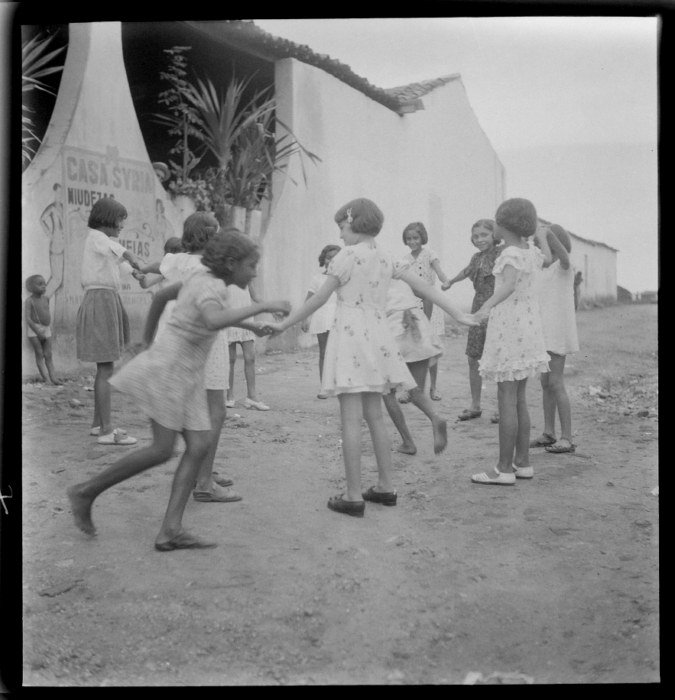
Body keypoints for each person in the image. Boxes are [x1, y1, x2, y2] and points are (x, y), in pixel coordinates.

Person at [67, 229, 290, 551]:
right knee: (161, 449)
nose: (254, 273)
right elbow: (212, 320)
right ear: (231, 264)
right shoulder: (212, 285)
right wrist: (261, 307)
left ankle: (171, 530)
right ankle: (85, 492)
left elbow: (163, 299)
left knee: (198, 445)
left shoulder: (203, 277)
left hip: (183, 372)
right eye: (251, 266)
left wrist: (147, 340)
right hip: (171, 370)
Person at [264, 198, 476, 517]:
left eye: (342, 227)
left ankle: (353, 495)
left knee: (351, 418)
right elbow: (423, 287)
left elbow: (319, 298)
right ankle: (386, 486)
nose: (340, 234)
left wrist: (284, 324)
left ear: (354, 223)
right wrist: (458, 313)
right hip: (378, 336)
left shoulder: (346, 256)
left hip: (350, 336)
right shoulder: (386, 256)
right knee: (375, 416)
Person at [470, 198, 552, 485]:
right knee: (519, 398)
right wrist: (541, 235)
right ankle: (523, 463)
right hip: (528, 329)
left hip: (509, 328)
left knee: (506, 399)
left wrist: (484, 308)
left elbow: (508, 285)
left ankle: (503, 468)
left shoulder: (509, 253)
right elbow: (548, 258)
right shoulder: (531, 252)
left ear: (504, 225)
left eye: (496, 221)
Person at [75, 197, 144, 446]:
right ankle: (106, 431)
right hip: (101, 300)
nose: (122, 225)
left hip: (107, 299)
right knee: (106, 368)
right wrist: (133, 258)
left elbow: (117, 262)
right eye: (120, 220)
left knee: (105, 367)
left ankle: (98, 424)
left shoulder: (103, 244)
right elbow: (118, 252)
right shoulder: (97, 237)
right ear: (107, 219)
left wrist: (135, 271)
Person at [381, 275, 449, 456]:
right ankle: (435, 417)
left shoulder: (371, 274)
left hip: (394, 328)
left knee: (387, 392)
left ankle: (408, 442)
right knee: (416, 391)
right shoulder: (401, 274)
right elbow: (426, 294)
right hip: (417, 324)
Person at [442, 219, 501, 424]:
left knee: (499, 358)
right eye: (475, 236)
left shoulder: (501, 254)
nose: (479, 239)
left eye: (484, 235)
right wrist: (450, 281)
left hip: (498, 309)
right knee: (473, 357)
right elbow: (467, 271)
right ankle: (475, 405)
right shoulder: (476, 258)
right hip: (478, 309)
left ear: (494, 235)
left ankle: (503, 407)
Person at [530, 224, 579, 454]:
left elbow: (564, 257)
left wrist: (547, 234)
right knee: (545, 383)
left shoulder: (563, 267)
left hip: (557, 332)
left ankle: (567, 437)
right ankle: (549, 432)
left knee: (556, 383)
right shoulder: (542, 271)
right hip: (543, 333)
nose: (540, 248)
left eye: (542, 245)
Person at [401, 222, 451, 402]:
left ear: (422, 237)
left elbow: (439, 271)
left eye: (415, 238)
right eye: (408, 239)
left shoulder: (429, 254)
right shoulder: (405, 259)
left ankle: (433, 387)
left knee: (430, 347)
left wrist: (446, 281)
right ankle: (410, 389)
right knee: (411, 347)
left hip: (430, 301)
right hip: (412, 303)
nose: (412, 241)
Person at [300, 244, 341, 398]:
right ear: (323, 259)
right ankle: (324, 387)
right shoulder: (317, 278)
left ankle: (339, 385)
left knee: (339, 352)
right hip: (322, 317)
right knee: (324, 352)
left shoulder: (342, 277)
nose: (331, 261)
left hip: (339, 316)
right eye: (328, 258)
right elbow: (309, 300)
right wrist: (305, 318)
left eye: (335, 258)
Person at [225, 282, 270, 411]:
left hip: (247, 319)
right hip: (230, 318)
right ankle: (229, 396)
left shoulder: (246, 275)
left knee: (250, 358)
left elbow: (255, 296)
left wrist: (271, 308)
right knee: (230, 359)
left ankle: (251, 397)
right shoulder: (224, 274)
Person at [24, 274, 62, 385]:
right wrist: (37, 331)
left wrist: (47, 329)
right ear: (31, 287)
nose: (44, 286)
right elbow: (28, 318)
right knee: (39, 353)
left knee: (48, 354)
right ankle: (46, 379)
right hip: (34, 329)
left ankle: (53, 377)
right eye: (40, 284)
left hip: (46, 329)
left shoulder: (46, 299)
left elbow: (45, 313)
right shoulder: (29, 301)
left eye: (44, 283)